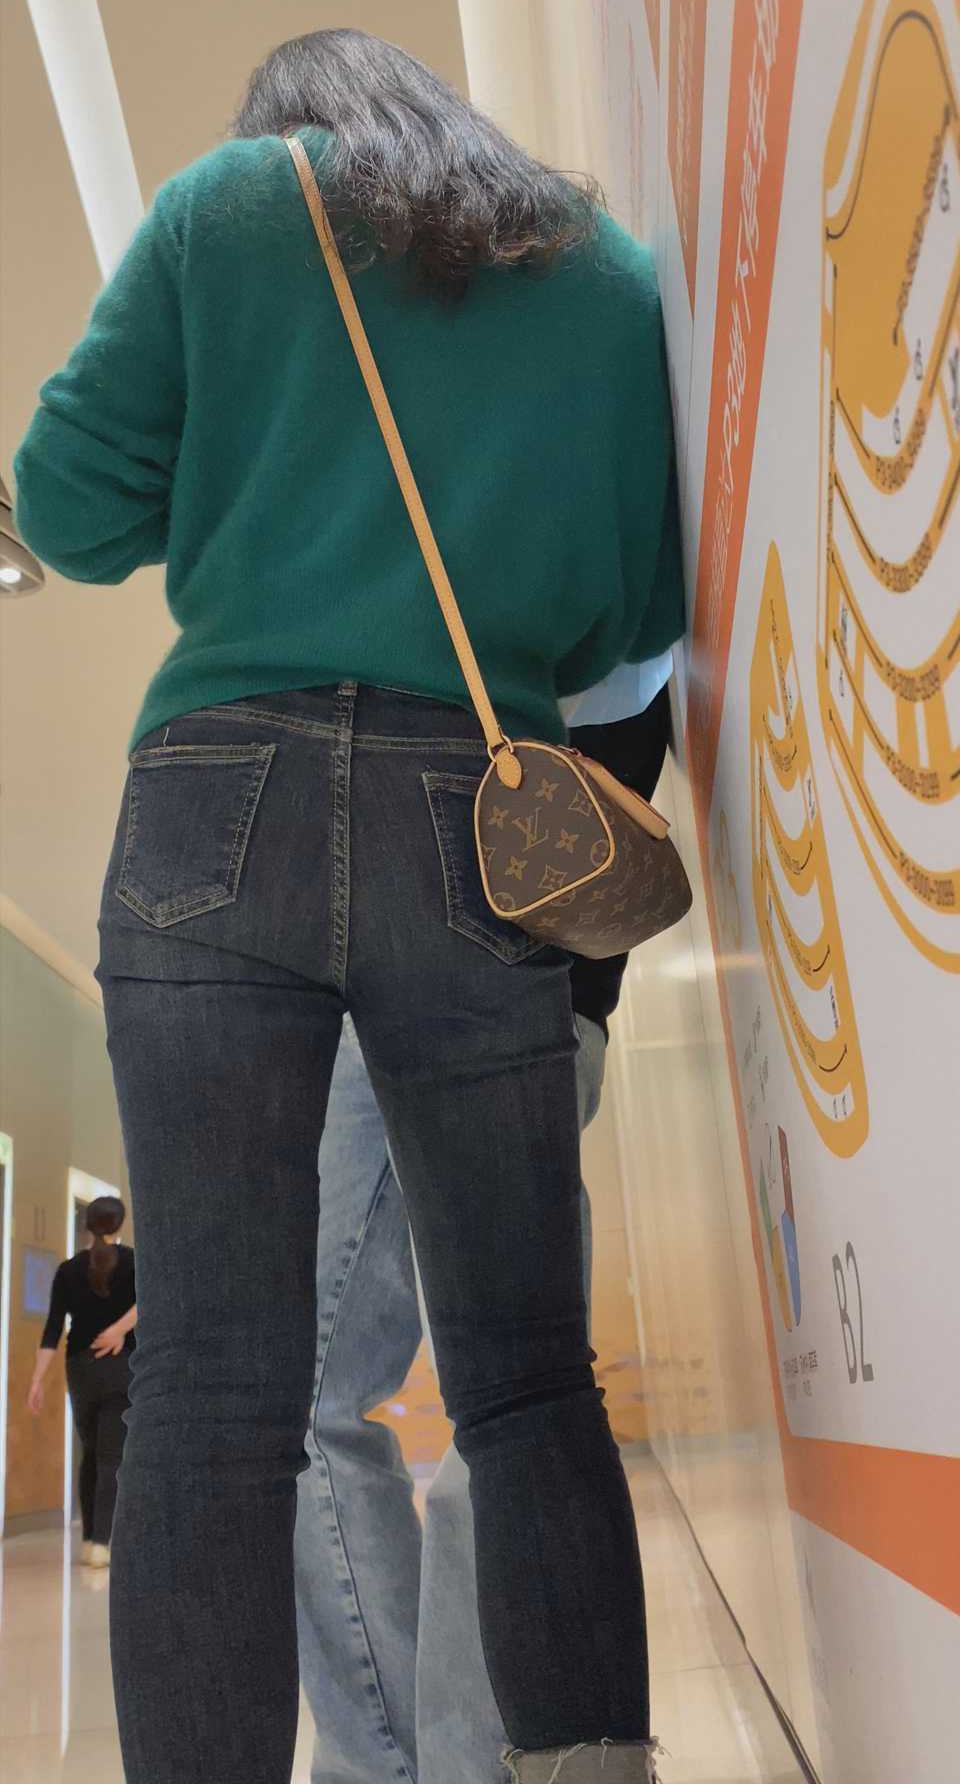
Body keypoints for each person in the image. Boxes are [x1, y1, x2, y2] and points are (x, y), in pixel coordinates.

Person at [14, 27, 682, 1784]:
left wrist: (250, 464)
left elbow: (67, 510)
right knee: (525, 1373)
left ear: (285, 128)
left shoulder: (229, 210)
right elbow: (628, 614)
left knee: (216, 1389)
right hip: (475, 812)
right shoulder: (601, 273)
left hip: (210, 803)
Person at [296, 688, 672, 1784]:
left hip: (509, 977)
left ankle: (455, 1766)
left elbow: (628, 690)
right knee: (342, 1406)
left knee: (503, 1406)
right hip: (413, 993)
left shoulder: (565, 623)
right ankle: (405, 1764)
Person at [28, 1195, 136, 1568]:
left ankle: (91, 1538)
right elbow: (151, 1301)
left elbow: (52, 1328)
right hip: (121, 1368)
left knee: (90, 1453)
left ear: (88, 1226)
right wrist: (119, 1331)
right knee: (110, 1457)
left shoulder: (68, 1270)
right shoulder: (133, 1263)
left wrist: (37, 1380)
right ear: (119, 1224)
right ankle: (102, 1543)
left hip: (80, 1369)